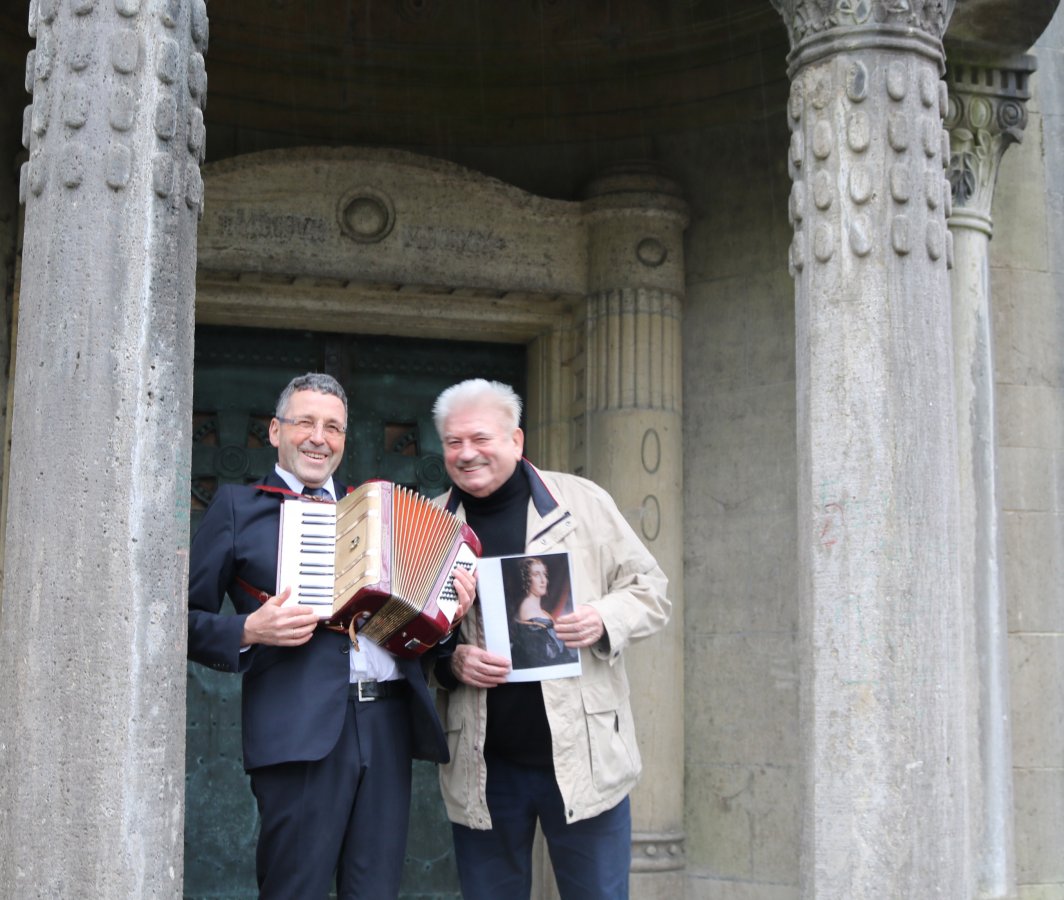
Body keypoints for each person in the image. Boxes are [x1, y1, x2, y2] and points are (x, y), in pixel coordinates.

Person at [187, 372, 474, 900]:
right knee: (295, 889)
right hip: (299, 734)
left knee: (375, 891)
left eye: (333, 427)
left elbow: (413, 634)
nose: (319, 437)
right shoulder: (236, 508)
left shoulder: (375, 513)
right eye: (305, 423)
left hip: (387, 722)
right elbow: (179, 622)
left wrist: (450, 613)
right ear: (275, 431)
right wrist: (249, 628)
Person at [431, 378, 670, 899]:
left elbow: (650, 591)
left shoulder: (582, 502)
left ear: (516, 441)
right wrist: (452, 660)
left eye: (480, 438)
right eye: (453, 442)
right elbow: (407, 640)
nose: (466, 453)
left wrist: (602, 619)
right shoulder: (430, 524)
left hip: (585, 762)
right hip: (484, 768)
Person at [507, 556, 576, 669]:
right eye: (536, 575)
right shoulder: (528, 611)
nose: (543, 580)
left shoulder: (537, 609)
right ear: (527, 579)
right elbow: (545, 657)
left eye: (544, 574)